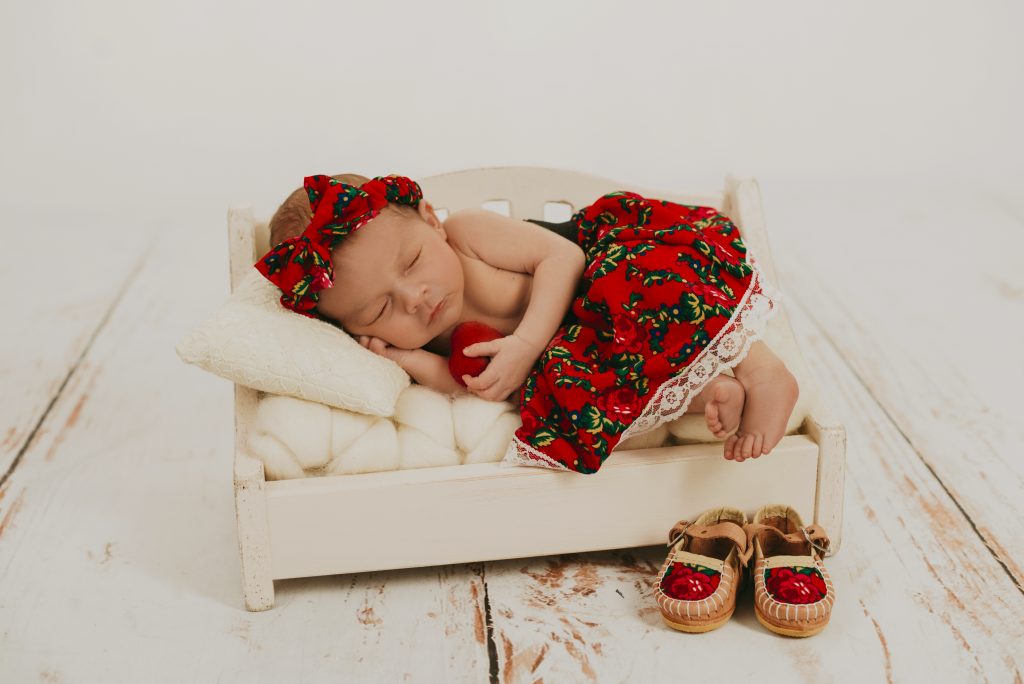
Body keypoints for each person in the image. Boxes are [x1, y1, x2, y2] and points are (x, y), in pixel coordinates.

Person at [257, 173, 798, 466]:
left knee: (647, 284)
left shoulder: (467, 233)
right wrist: (407, 359)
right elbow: (474, 383)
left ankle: (762, 369)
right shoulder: (426, 335)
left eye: (414, 261)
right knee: (566, 393)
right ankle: (709, 392)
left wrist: (526, 343)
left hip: (600, 273)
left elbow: (562, 258)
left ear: (430, 220)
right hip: (586, 342)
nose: (415, 298)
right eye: (380, 309)